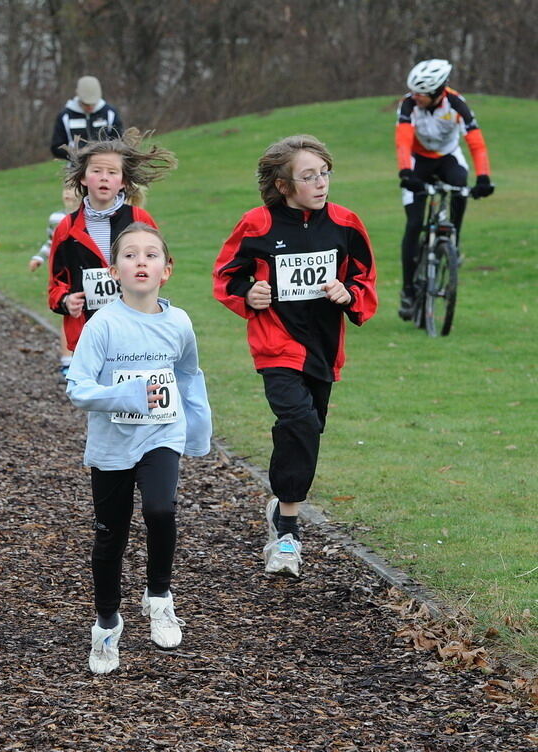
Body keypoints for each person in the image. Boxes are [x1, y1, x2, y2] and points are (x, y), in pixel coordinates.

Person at [212, 135, 377, 578]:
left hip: (324, 348)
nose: (320, 183)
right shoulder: (258, 224)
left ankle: (281, 510)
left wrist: (349, 294)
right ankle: (287, 532)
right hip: (276, 345)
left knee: (309, 429)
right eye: (308, 176)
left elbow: (365, 280)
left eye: (324, 173)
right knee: (299, 422)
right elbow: (227, 276)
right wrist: (251, 292)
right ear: (284, 185)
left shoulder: (345, 223)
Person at [66, 223, 211, 674]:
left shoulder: (179, 322)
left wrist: (198, 428)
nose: (141, 261)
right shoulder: (103, 324)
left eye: (151, 255)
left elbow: (189, 375)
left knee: (160, 511)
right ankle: (107, 623)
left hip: (161, 434)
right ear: (114, 270)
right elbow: (78, 388)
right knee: (111, 534)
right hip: (112, 444)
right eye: (130, 255)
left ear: (166, 270)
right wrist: (126, 396)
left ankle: (159, 596)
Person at [48, 128, 176, 353]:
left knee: (133, 387)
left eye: (112, 172)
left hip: (135, 326)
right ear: (83, 178)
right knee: (91, 388)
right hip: (87, 332)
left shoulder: (139, 219)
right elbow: (56, 283)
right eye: (97, 171)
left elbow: (163, 266)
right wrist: (66, 301)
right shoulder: (67, 228)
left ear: (123, 181)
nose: (104, 177)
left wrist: (140, 283)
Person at [396, 59, 494, 320]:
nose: (415, 97)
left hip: (448, 157)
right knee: (415, 223)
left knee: (460, 186)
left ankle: (454, 239)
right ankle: (407, 290)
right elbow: (403, 142)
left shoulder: (457, 105)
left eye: (421, 93)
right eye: (413, 91)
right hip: (419, 160)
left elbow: (477, 143)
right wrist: (406, 172)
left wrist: (483, 178)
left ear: (438, 91)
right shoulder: (408, 105)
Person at [30, 185, 82, 380]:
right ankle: (67, 361)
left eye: (73, 189)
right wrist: (39, 258)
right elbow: (50, 242)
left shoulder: (90, 218)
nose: (68, 193)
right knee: (68, 316)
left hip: (84, 273)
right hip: (64, 275)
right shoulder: (55, 218)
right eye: (66, 189)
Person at [50, 76, 123, 160]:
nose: (90, 107)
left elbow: (119, 141)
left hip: (105, 163)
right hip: (76, 167)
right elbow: (56, 148)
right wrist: (76, 153)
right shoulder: (65, 116)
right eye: (86, 104)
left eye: (93, 103)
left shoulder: (110, 113)